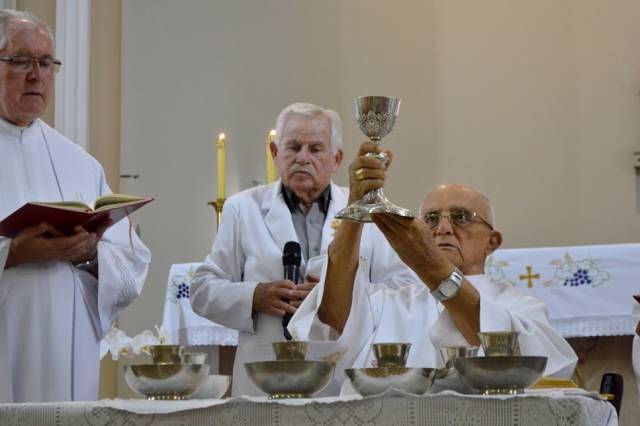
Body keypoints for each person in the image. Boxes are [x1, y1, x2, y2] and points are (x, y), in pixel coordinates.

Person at [289, 142, 578, 392]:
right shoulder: (389, 302)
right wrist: (356, 206)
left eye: (462, 217)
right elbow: (332, 321)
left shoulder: (520, 306)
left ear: (492, 241)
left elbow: (537, 364)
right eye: (430, 219)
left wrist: (432, 268)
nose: (443, 228)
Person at [0, 10, 150, 402]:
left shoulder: (79, 163)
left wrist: (91, 255)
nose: (37, 75)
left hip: (66, 350)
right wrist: (12, 253)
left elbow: (132, 262)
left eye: (47, 63)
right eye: (20, 61)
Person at [190, 102, 346, 396]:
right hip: (264, 376)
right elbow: (201, 290)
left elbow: (396, 291)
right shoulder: (242, 208)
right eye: (293, 147)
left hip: (336, 374)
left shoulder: (359, 212)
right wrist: (254, 296)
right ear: (276, 154)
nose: (302, 157)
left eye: (315, 149)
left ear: (336, 159)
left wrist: (334, 296)